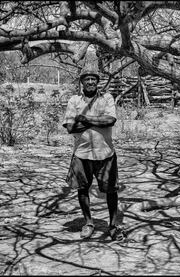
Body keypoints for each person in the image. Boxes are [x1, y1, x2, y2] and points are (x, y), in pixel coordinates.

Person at [62, 70, 126, 241]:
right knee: (83, 188)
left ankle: (113, 226)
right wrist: (97, 120)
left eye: (93, 79)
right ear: (82, 82)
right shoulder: (74, 100)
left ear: (97, 82)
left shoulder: (107, 98)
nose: (90, 82)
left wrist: (84, 119)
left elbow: (110, 120)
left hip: (105, 152)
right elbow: (69, 128)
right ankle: (89, 222)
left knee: (111, 190)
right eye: (87, 79)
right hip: (81, 153)